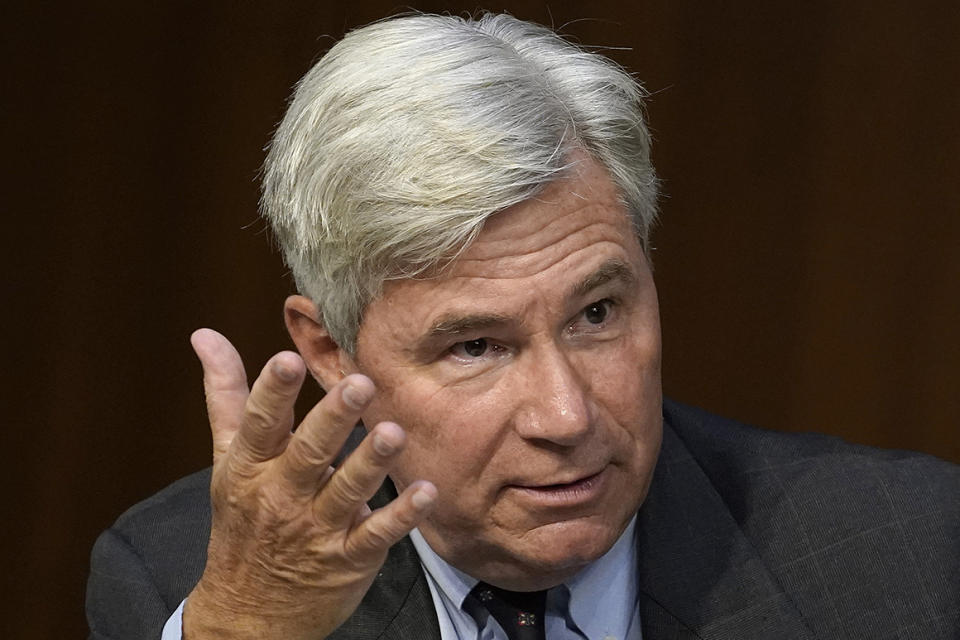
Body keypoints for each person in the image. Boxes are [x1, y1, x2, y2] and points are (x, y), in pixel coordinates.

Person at [86, 12, 959, 640]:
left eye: (597, 313)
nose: (567, 416)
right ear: (329, 350)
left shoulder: (913, 557)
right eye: (475, 345)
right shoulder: (189, 589)